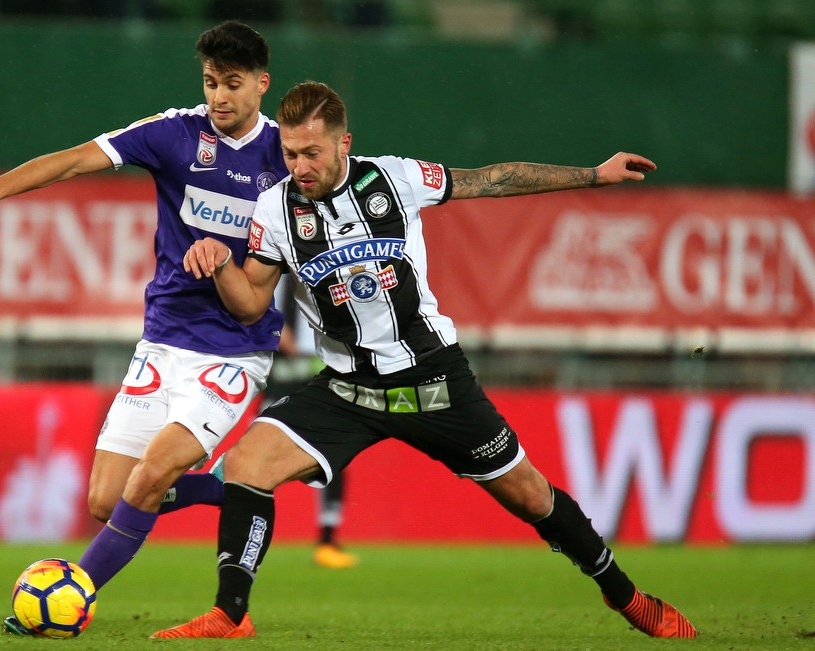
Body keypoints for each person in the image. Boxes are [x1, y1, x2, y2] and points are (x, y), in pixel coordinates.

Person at [165, 81, 696, 640]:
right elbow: (250, 305)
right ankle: (230, 614)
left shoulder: (395, 179)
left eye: (312, 153)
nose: (300, 165)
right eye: (291, 153)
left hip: (433, 379)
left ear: (345, 143)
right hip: (348, 388)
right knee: (248, 464)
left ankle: (627, 596)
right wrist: (222, 263)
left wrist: (592, 174)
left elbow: (491, 179)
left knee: (531, 495)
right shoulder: (273, 210)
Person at [0, 21, 288, 635]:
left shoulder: (285, 155)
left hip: (232, 351)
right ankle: (232, 486)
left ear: (261, 83)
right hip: (162, 340)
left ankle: (74, 596)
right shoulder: (175, 134)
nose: (219, 97)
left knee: (150, 476)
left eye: (232, 84)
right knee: (106, 500)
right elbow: (74, 161)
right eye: (210, 83)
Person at [271, 275, 358, 569]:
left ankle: (327, 539)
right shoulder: (269, 262)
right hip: (277, 369)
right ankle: (242, 526)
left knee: (333, 454)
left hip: (319, 367)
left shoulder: (325, 267)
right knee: (259, 454)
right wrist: (275, 326)